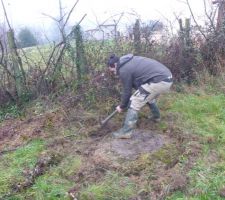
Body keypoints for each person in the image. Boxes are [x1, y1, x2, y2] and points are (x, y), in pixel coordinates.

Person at [107, 53, 173, 139]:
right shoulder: (128, 61)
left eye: (112, 70)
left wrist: (122, 106)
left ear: (115, 65)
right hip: (166, 78)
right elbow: (137, 84)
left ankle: (125, 132)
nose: (113, 73)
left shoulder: (123, 70)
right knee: (145, 95)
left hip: (160, 81)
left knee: (135, 100)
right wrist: (124, 103)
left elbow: (127, 91)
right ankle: (156, 117)